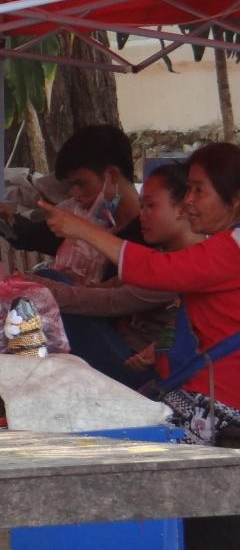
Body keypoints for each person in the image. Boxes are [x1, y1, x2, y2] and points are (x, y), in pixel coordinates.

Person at [42, 143, 240, 439]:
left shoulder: (232, 248)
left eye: (198, 190)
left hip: (217, 403)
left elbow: (157, 270)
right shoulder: (223, 245)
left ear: (234, 199)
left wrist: (83, 230)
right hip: (192, 385)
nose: (189, 200)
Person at [29, 163, 201, 388]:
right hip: (124, 345)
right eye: (142, 206)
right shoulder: (161, 254)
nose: (142, 215)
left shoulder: (181, 266)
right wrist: (38, 282)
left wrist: (35, 286)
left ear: (183, 209)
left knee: (57, 301)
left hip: (138, 369)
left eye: (151, 206)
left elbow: (109, 302)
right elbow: (108, 288)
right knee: (50, 278)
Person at [0, 124, 145, 258]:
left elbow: (126, 281)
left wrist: (85, 232)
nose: (75, 194)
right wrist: (7, 219)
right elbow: (35, 236)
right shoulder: (89, 218)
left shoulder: (149, 234)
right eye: (71, 186)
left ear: (112, 176)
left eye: (81, 184)